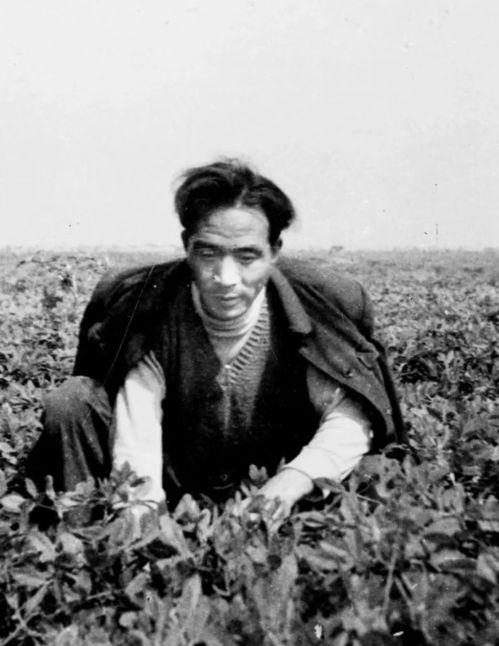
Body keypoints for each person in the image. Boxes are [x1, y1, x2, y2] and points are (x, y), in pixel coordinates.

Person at [26, 159, 405, 517]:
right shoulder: (151, 308)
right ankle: (80, 539)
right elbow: (136, 432)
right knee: (71, 401)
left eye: (247, 257)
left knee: (377, 471)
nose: (225, 278)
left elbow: (348, 418)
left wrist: (290, 482)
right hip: (177, 479)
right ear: (187, 246)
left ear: (274, 252)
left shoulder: (313, 308)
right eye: (208, 253)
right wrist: (140, 523)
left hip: (280, 476)